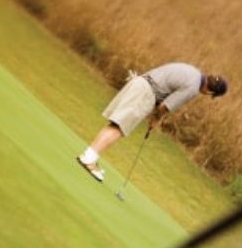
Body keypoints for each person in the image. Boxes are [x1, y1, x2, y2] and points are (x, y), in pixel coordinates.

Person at [76, 62, 227, 182]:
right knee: (118, 128)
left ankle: (89, 156)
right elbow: (165, 106)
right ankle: (88, 159)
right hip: (145, 93)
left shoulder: (192, 71)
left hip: (139, 83)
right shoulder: (193, 88)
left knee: (115, 125)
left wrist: (155, 114)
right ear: (211, 92)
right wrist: (156, 119)